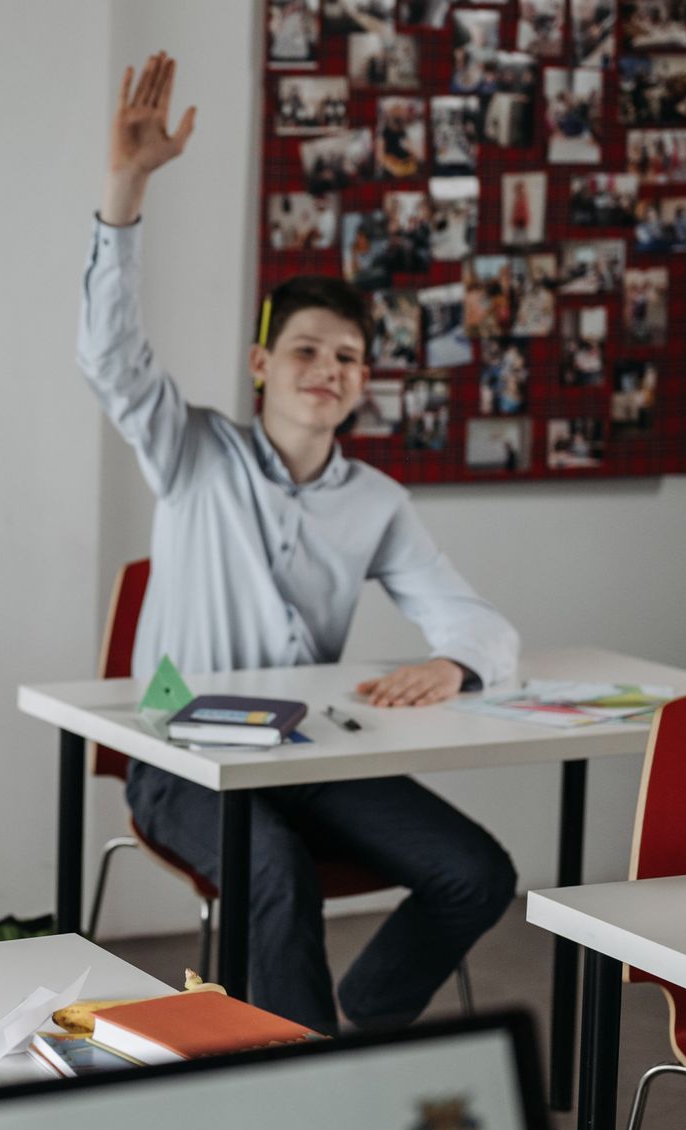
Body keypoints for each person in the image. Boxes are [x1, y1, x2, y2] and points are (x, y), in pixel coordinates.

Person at [78, 54, 520, 1035]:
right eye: (307, 349)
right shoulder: (192, 449)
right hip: (176, 743)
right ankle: (305, 1069)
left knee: (477, 871)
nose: (327, 369)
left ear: (366, 380)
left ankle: (366, 1013)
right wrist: (128, 187)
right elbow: (110, 357)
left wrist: (454, 662)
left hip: (305, 748)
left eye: (348, 357)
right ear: (261, 363)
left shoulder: (375, 500)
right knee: (270, 867)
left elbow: (473, 618)